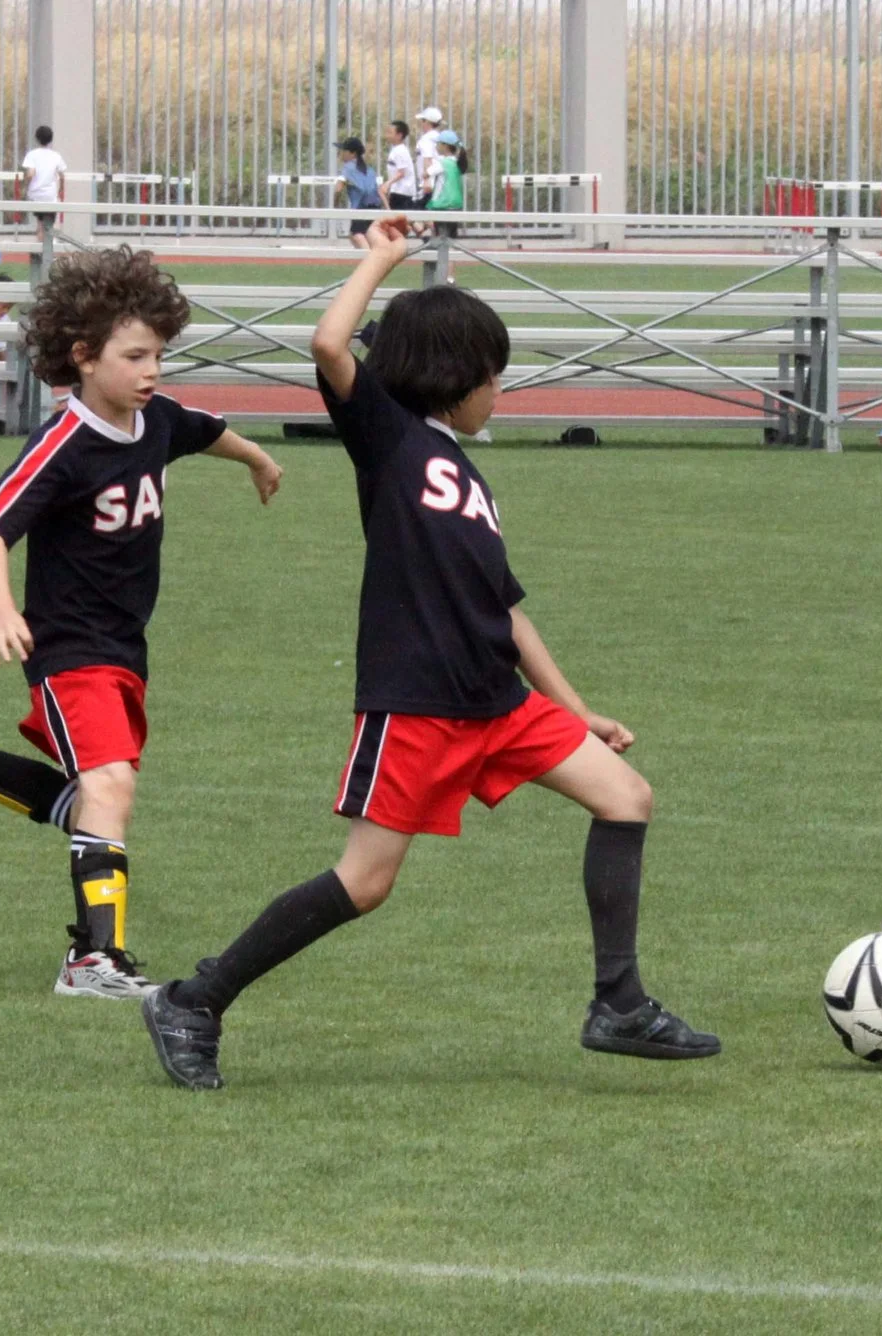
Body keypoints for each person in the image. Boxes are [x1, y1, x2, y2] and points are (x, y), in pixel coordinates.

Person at [138, 216, 719, 1091]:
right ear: (455, 378)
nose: (499, 393)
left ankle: (619, 1005)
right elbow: (330, 342)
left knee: (626, 795)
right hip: (416, 703)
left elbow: (506, 607)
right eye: (494, 377)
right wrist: (382, 257)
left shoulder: (465, 476)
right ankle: (194, 999)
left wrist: (569, 705)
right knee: (366, 883)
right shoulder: (390, 437)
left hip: (499, 702)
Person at [0, 247, 285, 1001]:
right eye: (135, 355)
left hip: (126, 649)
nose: (152, 368)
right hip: (67, 648)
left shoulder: (156, 419)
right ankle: (93, 961)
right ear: (83, 357)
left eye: (160, 352)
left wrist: (255, 458)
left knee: (95, 799)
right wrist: (1, 609)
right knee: (110, 787)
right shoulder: (62, 444)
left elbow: (208, 430)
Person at [336, 135, 382, 248]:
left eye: (344, 150)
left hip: (361, 207)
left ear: (353, 153)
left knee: (356, 235)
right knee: (366, 235)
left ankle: (370, 258)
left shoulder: (347, 168)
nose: (341, 153)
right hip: (375, 206)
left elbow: (338, 189)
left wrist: (335, 203)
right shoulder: (369, 169)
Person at [424, 130, 466, 237]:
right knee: (451, 238)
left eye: (437, 144)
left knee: (441, 237)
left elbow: (426, 173)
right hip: (456, 205)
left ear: (445, 146)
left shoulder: (442, 163)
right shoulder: (456, 163)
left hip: (442, 205)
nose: (436, 146)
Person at [21, 124, 67, 209]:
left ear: (37, 138)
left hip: (35, 194)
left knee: (40, 218)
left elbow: (30, 174)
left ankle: (40, 222)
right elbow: (62, 176)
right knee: (48, 218)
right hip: (50, 195)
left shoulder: (32, 155)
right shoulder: (56, 156)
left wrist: (25, 187)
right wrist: (61, 189)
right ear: (51, 139)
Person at [381, 120, 421, 211]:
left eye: (390, 133)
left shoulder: (400, 151)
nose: (387, 135)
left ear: (399, 135)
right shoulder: (396, 150)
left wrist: (387, 183)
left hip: (402, 193)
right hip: (397, 191)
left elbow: (401, 172)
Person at [413, 106, 445, 206]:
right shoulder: (439, 138)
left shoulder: (426, 139)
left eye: (423, 120)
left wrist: (426, 181)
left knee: (418, 217)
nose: (421, 123)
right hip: (438, 182)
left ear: (427, 122)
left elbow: (428, 159)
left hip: (429, 183)